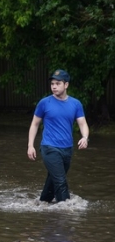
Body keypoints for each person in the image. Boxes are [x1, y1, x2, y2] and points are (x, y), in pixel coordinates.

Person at [27, 69, 89, 203]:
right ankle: (66, 211)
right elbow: (34, 124)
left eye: (58, 83)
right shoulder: (44, 103)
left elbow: (83, 123)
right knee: (61, 181)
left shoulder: (75, 104)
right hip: (49, 148)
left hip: (67, 149)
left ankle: (42, 203)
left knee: (53, 180)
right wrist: (30, 146)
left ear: (66, 85)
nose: (54, 86)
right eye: (52, 84)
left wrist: (84, 137)